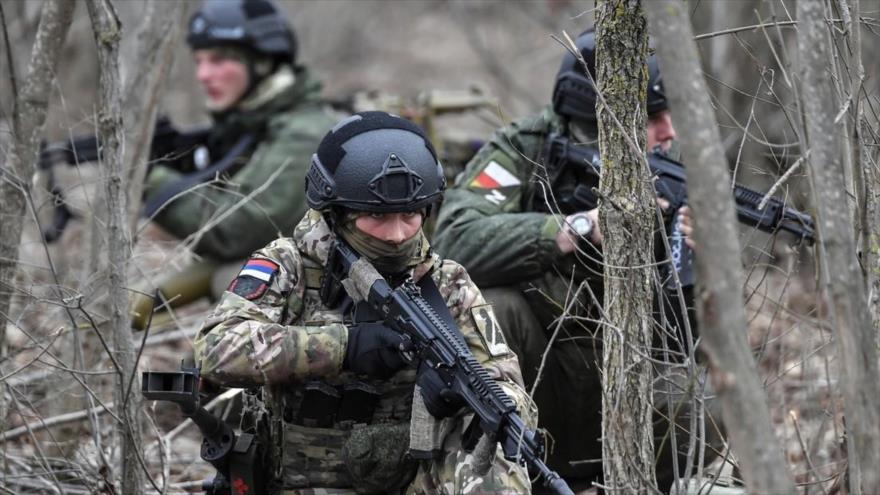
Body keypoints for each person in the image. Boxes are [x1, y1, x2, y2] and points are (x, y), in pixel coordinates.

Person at [432, 30, 721, 492]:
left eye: (673, 115)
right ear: (598, 120)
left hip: (618, 387)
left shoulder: (672, 172)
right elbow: (454, 240)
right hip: (530, 379)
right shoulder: (526, 149)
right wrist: (576, 228)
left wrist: (695, 266)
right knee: (496, 307)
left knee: (706, 397)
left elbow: (681, 349)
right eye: (652, 117)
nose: (669, 132)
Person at [194, 111, 535, 493]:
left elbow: (507, 382)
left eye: (409, 215)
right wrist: (343, 347)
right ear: (336, 213)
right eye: (376, 216)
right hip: (298, 480)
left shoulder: (446, 281)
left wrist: (461, 395)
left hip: (412, 479)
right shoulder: (287, 265)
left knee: (496, 458)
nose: (396, 235)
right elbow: (215, 349)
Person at [131, 0, 337, 330]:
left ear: (262, 63)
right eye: (199, 61)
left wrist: (149, 179)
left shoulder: (304, 133)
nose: (202, 75)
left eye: (219, 59)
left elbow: (235, 230)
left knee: (234, 276)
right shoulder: (255, 124)